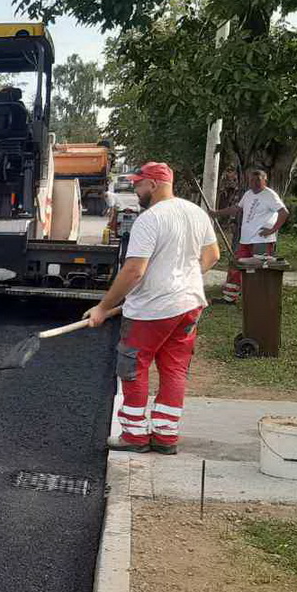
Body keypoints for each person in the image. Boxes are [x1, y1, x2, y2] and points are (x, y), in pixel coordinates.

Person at [85, 162, 221, 455]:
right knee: (174, 369)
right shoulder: (196, 213)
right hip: (189, 306)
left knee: (134, 367)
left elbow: (134, 270)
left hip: (152, 311)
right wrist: (184, 279)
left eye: (139, 184)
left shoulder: (150, 219)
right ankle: (165, 436)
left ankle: (134, 436)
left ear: (154, 184)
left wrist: (102, 307)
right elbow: (212, 255)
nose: (135, 190)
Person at [221, 166, 289, 302]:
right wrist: (217, 213)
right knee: (237, 265)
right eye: (251, 181)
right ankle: (229, 298)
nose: (254, 183)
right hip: (245, 240)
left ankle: (260, 299)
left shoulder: (269, 195)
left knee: (260, 269)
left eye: (258, 180)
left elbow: (284, 212)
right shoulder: (248, 194)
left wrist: (272, 230)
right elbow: (236, 208)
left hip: (261, 241)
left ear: (265, 180)